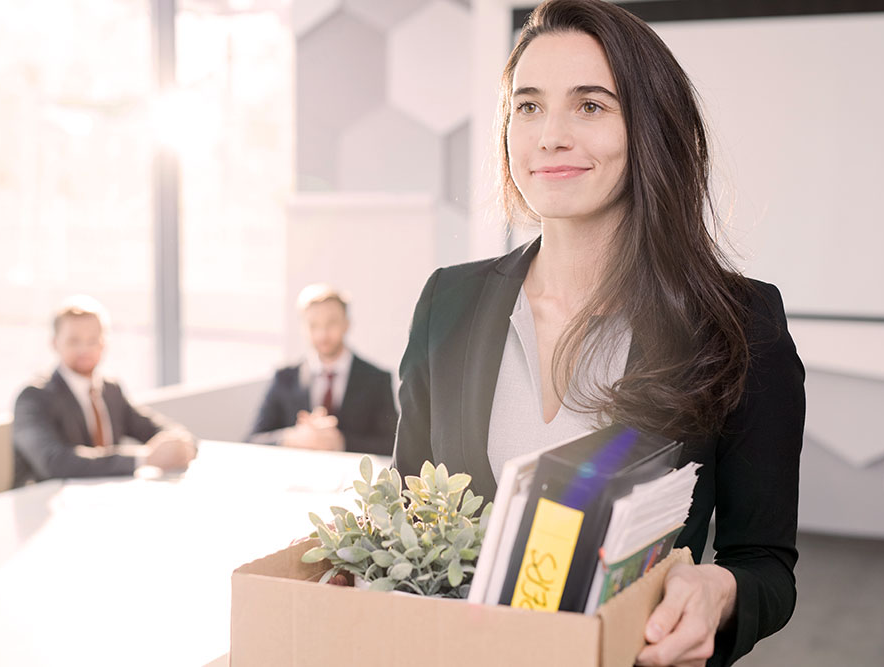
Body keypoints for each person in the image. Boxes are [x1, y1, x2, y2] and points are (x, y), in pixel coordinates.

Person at [392, 2, 804, 666]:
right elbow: (407, 516)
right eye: (527, 107)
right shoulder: (450, 301)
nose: (550, 135)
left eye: (590, 105)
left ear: (650, 130)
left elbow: (765, 565)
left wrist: (713, 588)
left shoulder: (739, 323)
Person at [12, 296, 197, 486]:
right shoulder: (34, 398)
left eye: (93, 340)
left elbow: (156, 427)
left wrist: (181, 444)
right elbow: (54, 462)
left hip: (101, 500)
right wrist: (144, 458)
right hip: (40, 505)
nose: (84, 349)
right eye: (74, 341)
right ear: (55, 343)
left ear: (104, 343)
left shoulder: (110, 389)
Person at [248, 284, 398, 456]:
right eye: (313, 325)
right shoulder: (284, 377)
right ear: (303, 328)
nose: (322, 333)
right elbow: (253, 439)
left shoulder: (376, 379)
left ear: (346, 324)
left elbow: (393, 444)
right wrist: (292, 438)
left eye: (331, 322)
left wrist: (341, 442)